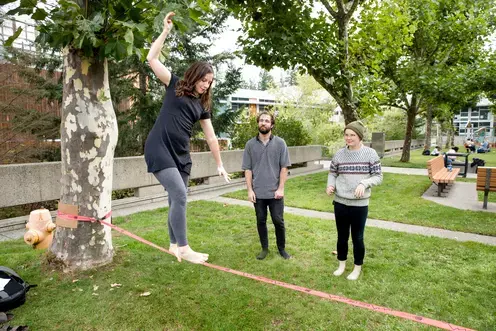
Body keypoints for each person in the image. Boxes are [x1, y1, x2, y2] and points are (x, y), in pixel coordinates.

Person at [144, 12, 230, 264]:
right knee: (181, 195)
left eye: (210, 82)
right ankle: (184, 247)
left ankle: (173, 244)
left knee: (175, 198)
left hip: (181, 155)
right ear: (195, 76)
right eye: (204, 80)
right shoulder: (175, 84)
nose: (207, 85)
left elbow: (212, 138)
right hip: (159, 147)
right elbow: (151, 58)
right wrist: (165, 32)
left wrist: (220, 164)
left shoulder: (202, 105)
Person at [326, 121, 382, 280]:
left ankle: (357, 267)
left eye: (352, 135)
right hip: (340, 203)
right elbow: (332, 173)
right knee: (341, 236)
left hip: (359, 204)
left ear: (360, 136)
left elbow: (378, 176)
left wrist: (364, 183)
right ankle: (341, 264)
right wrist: (330, 185)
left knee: (357, 237)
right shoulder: (339, 154)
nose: (348, 138)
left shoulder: (370, 154)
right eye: (346, 134)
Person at [242, 112, 292, 260]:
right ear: (258, 123)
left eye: (267, 121)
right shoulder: (250, 145)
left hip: (275, 192)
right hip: (258, 193)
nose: (263, 123)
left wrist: (281, 188)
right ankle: (264, 248)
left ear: (272, 125)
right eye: (261, 120)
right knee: (261, 220)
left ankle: (282, 249)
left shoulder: (280, 143)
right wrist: (250, 190)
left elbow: (284, 167)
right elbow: (247, 169)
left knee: (278, 220)